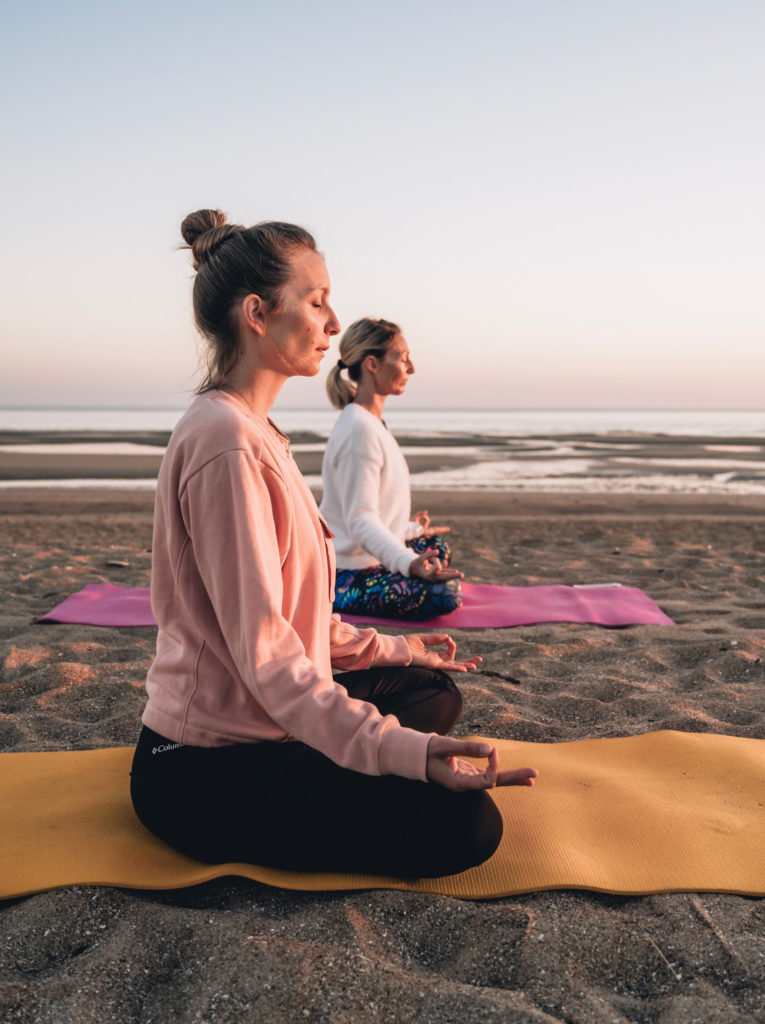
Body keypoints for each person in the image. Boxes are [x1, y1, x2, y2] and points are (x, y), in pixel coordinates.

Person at [130, 209, 537, 880]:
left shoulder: (256, 432)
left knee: (428, 693)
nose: (329, 322)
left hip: (266, 717)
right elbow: (267, 654)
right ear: (257, 313)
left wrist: (396, 648)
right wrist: (403, 754)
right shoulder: (227, 445)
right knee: (467, 827)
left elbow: (299, 619)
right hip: (203, 766)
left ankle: (349, 734)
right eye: (316, 301)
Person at [321, 318, 462, 621]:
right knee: (443, 593)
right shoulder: (359, 429)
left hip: (369, 558)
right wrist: (409, 564)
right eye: (403, 359)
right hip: (345, 574)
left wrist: (411, 530)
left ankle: (409, 551)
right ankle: (337, 598)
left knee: (435, 547)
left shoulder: (371, 423)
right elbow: (359, 520)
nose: (411, 368)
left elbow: (371, 513)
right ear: (373, 364)